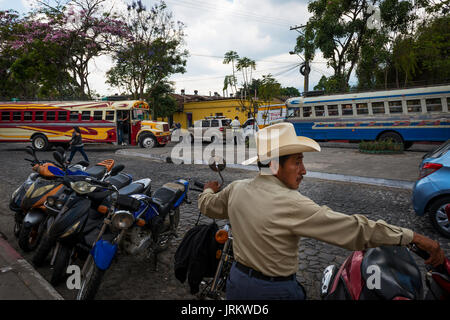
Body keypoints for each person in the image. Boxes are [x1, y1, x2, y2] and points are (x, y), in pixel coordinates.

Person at [198, 122, 445, 300]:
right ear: (274, 165)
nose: (303, 170)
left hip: (237, 283)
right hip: (274, 291)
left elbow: (208, 206)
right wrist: (414, 237)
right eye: (297, 162)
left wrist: (208, 190)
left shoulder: (237, 189)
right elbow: (355, 230)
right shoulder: (291, 203)